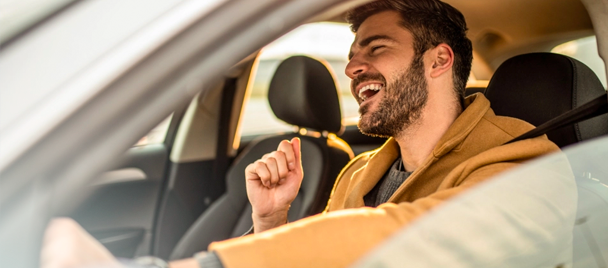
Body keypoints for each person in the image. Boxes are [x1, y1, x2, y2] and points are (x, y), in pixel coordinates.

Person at [40, 0, 560, 267]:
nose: (354, 67)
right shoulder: (360, 169)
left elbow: (416, 240)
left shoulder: (526, 166)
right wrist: (271, 219)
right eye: (353, 54)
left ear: (438, 60)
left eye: (375, 48)